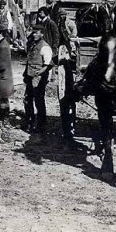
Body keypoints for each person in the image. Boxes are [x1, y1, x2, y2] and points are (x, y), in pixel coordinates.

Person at [23, 25, 53, 133]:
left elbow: (48, 65)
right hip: (30, 76)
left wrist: (38, 74)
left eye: (37, 33)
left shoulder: (45, 47)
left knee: (39, 101)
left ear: (42, 34)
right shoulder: (32, 45)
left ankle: (41, 125)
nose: (34, 34)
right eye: (34, 32)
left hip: (39, 78)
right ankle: (29, 122)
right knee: (27, 99)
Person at [56, 12, 78, 140]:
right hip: (64, 46)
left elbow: (74, 32)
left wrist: (71, 37)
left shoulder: (70, 23)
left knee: (72, 52)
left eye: (63, 16)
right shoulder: (60, 23)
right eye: (61, 16)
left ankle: (72, 62)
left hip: (71, 42)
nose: (62, 17)